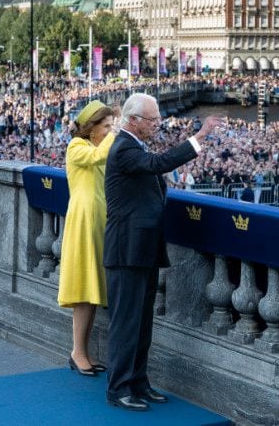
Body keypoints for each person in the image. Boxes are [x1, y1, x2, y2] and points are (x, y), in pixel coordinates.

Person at [103, 93, 223, 411]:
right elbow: (159, 164)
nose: (158, 124)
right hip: (126, 249)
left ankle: (138, 383)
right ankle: (119, 388)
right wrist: (197, 139)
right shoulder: (124, 148)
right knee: (127, 323)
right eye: (153, 120)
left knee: (142, 323)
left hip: (142, 246)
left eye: (158, 119)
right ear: (133, 121)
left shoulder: (134, 145)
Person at [57, 100, 116, 377]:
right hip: (83, 222)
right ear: (92, 129)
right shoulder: (77, 147)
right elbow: (97, 159)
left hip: (98, 222)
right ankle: (77, 351)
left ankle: (83, 351)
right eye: (106, 126)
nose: (110, 131)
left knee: (92, 291)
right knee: (84, 289)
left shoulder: (95, 146)